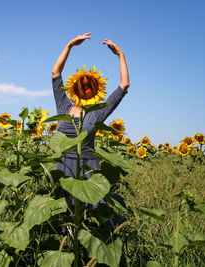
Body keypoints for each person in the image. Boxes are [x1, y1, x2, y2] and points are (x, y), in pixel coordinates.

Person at [52, 33, 129, 227]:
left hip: (88, 168)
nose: (85, 88)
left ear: (95, 89)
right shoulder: (64, 106)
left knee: (93, 217)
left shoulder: (97, 112)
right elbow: (55, 73)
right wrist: (69, 45)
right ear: (75, 86)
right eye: (82, 85)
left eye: (89, 85)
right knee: (64, 216)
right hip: (65, 167)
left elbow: (123, 86)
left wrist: (120, 55)